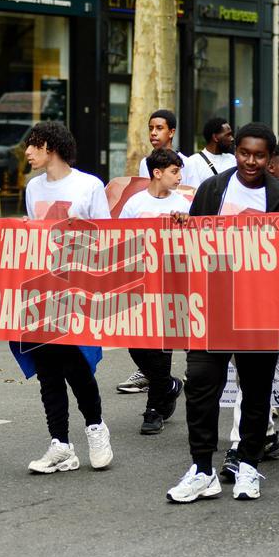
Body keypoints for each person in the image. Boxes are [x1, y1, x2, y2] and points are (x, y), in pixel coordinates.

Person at [166, 123, 279, 504]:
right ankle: (202, 469)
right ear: (235, 151)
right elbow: (194, 241)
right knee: (201, 383)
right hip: (214, 306)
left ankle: (249, 466)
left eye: (259, 155)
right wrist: (183, 226)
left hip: (259, 312)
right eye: (244, 153)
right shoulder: (213, 188)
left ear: (270, 159)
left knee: (255, 393)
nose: (250, 161)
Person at [14, 121, 114, 474]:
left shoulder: (89, 185)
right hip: (40, 289)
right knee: (47, 371)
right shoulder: (32, 187)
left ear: (51, 147)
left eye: (33, 145)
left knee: (76, 365)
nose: (27, 152)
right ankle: (60, 444)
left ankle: (96, 428)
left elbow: (107, 237)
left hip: (76, 289)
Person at [118, 148, 188, 434]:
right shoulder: (134, 204)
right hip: (138, 284)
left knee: (160, 348)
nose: (179, 177)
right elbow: (119, 240)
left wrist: (185, 225)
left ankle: (154, 409)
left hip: (170, 285)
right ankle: (168, 385)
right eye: (174, 171)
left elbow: (196, 243)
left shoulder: (183, 203)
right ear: (157, 173)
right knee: (136, 345)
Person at [183, 117, 236, 187]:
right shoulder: (193, 162)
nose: (232, 139)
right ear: (215, 137)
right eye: (228, 135)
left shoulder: (233, 159)